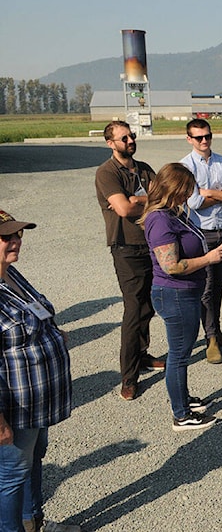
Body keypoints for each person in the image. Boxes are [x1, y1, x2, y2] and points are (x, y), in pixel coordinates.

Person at [0, 211, 79, 532]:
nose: (16, 240)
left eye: (19, 234)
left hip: (38, 400)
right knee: (11, 476)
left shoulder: (11, 274)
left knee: (33, 459)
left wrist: (53, 330)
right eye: (7, 237)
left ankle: (33, 522)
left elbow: (37, 310)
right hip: (14, 407)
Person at [141, 164, 222, 431]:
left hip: (185, 292)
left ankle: (183, 400)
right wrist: (209, 259)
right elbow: (172, 265)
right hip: (175, 294)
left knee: (183, 351)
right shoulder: (159, 220)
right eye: (186, 190)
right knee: (179, 355)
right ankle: (181, 414)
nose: (189, 195)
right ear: (173, 189)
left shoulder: (173, 213)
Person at [94, 121, 164, 401]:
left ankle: (143, 354)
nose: (130, 140)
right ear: (111, 143)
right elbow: (122, 209)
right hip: (127, 247)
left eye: (132, 135)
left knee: (148, 305)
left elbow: (165, 198)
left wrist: (137, 199)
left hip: (152, 243)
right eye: (124, 138)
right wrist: (142, 200)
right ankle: (129, 376)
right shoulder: (107, 172)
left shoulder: (145, 168)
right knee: (133, 310)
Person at [179, 118, 222, 365]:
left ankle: (216, 330)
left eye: (208, 136)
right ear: (189, 139)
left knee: (219, 285)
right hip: (200, 232)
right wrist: (221, 193)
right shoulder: (185, 166)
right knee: (205, 288)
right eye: (199, 137)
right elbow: (193, 202)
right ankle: (210, 339)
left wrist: (209, 192)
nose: (204, 141)